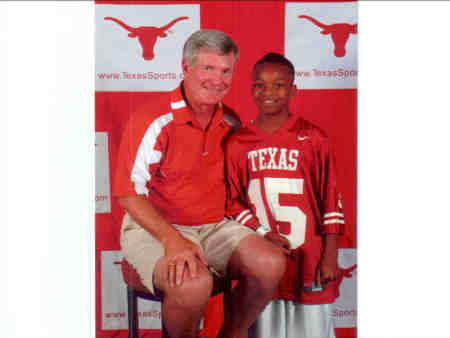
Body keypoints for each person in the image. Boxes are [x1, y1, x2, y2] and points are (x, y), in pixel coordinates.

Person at [113, 31, 286, 338]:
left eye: (225, 71)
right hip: (155, 227)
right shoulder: (154, 119)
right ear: (186, 67)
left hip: (214, 226)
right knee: (192, 283)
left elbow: (236, 193)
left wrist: (259, 231)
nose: (217, 80)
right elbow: (128, 193)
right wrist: (172, 239)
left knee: (270, 262)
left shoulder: (230, 122)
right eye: (208, 69)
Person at [225, 53, 345, 338]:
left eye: (278, 85)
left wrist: (329, 254)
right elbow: (232, 200)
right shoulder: (238, 142)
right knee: (265, 329)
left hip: (310, 256)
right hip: (262, 257)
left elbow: (329, 197)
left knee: (312, 330)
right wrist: (262, 231)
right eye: (259, 85)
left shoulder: (313, 137)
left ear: (293, 90)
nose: (268, 92)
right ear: (251, 89)